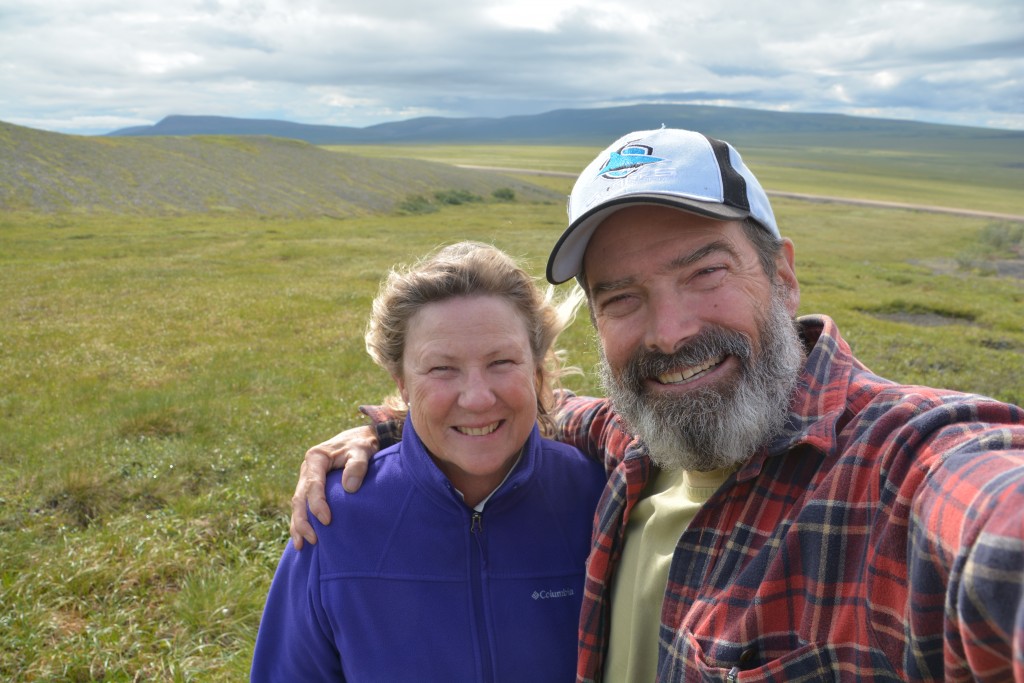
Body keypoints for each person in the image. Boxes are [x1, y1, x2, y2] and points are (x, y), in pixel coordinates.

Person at [289, 129, 1024, 682]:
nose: (670, 333)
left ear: (783, 274)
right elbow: (531, 408)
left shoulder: (898, 472)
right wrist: (401, 427)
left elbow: (990, 525)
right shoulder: (632, 445)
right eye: (623, 298)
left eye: (704, 272)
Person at [252, 242, 607, 681]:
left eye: (501, 362)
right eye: (442, 369)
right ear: (401, 383)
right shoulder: (334, 519)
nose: (478, 398)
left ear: (535, 369)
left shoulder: (602, 501)